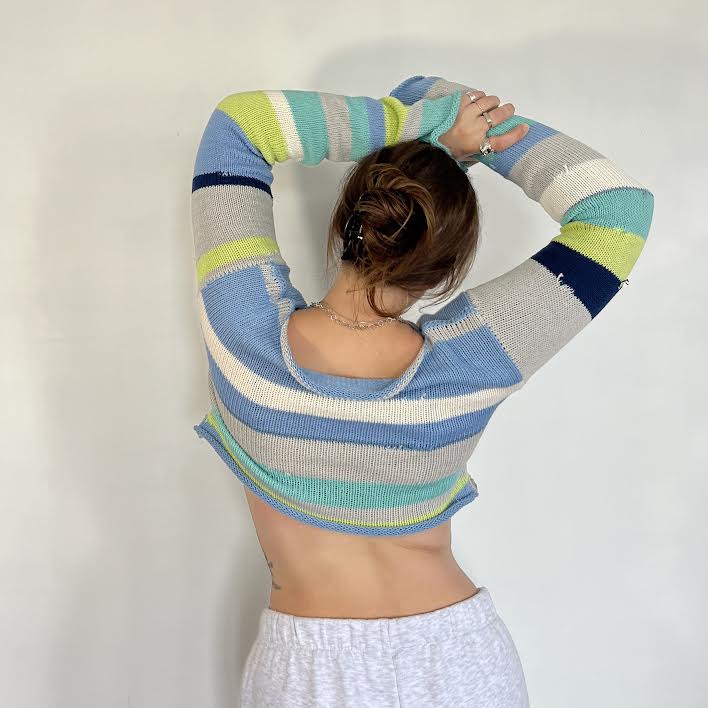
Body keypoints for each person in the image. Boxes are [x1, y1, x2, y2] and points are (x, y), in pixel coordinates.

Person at [190, 75, 654, 707]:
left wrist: (422, 120)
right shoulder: (477, 355)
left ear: (345, 222)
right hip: (459, 661)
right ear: (448, 267)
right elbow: (617, 209)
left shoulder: (242, 328)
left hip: (308, 672)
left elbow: (242, 125)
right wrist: (459, 121)